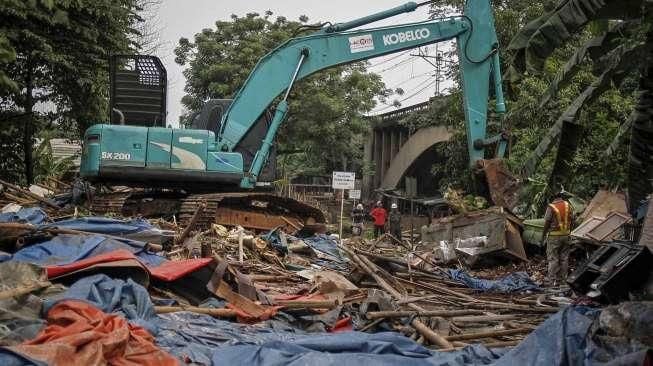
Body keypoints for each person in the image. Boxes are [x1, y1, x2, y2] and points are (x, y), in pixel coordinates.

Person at [540, 192, 573, 285]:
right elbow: (572, 219)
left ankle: (551, 281)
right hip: (566, 235)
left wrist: (543, 236)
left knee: (553, 259)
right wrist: (569, 231)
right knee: (564, 258)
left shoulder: (551, 207)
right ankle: (562, 281)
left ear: (553, 198)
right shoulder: (568, 205)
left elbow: (547, 222)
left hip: (554, 236)